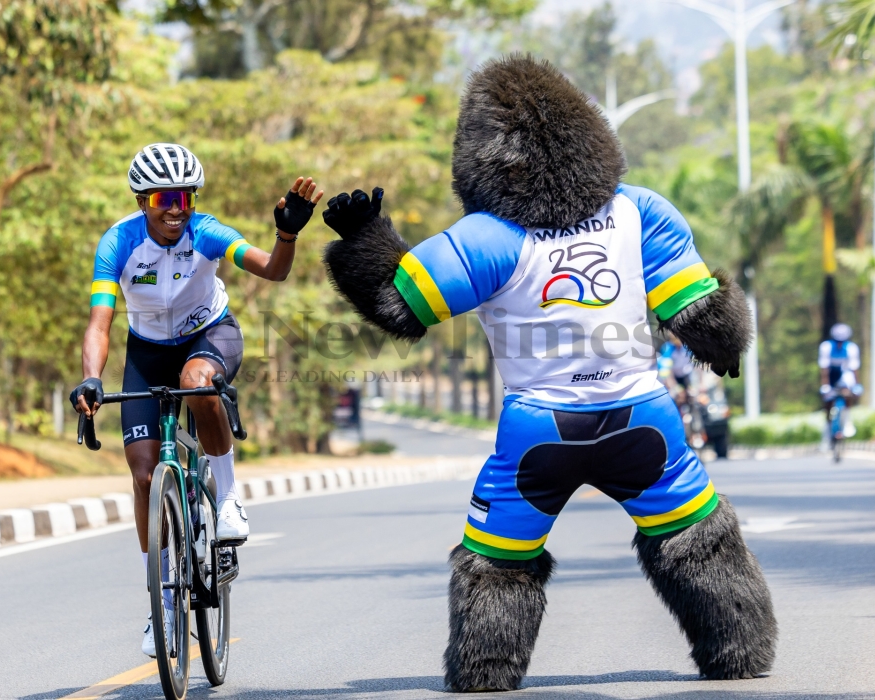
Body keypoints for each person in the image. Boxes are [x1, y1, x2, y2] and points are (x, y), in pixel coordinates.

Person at [321, 56, 775, 690]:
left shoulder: (484, 239)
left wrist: (365, 237)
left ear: (480, 158)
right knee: (699, 535)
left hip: (540, 431)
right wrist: (723, 347)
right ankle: (739, 654)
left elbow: (400, 304)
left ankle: (488, 673)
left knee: (497, 563)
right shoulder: (639, 211)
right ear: (590, 138)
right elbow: (700, 312)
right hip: (643, 420)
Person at [69, 143, 323, 656]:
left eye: (185, 195)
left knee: (199, 378)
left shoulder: (206, 232)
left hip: (210, 334)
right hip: (146, 350)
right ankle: (160, 602)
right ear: (143, 200)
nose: (176, 206)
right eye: (164, 196)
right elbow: (101, 320)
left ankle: (227, 498)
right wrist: (91, 378)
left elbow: (272, 269)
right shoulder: (118, 242)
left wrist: (287, 234)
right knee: (143, 475)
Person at [819, 322, 862, 438]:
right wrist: (825, 386)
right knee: (828, 400)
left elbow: (854, 369)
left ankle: (847, 419)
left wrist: (856, 385)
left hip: (844, 374)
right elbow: (824, 369)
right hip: (831, 375)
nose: (840, 343)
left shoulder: (851, 348)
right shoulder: (826, 347)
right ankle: (827, 429)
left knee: (847, 393)